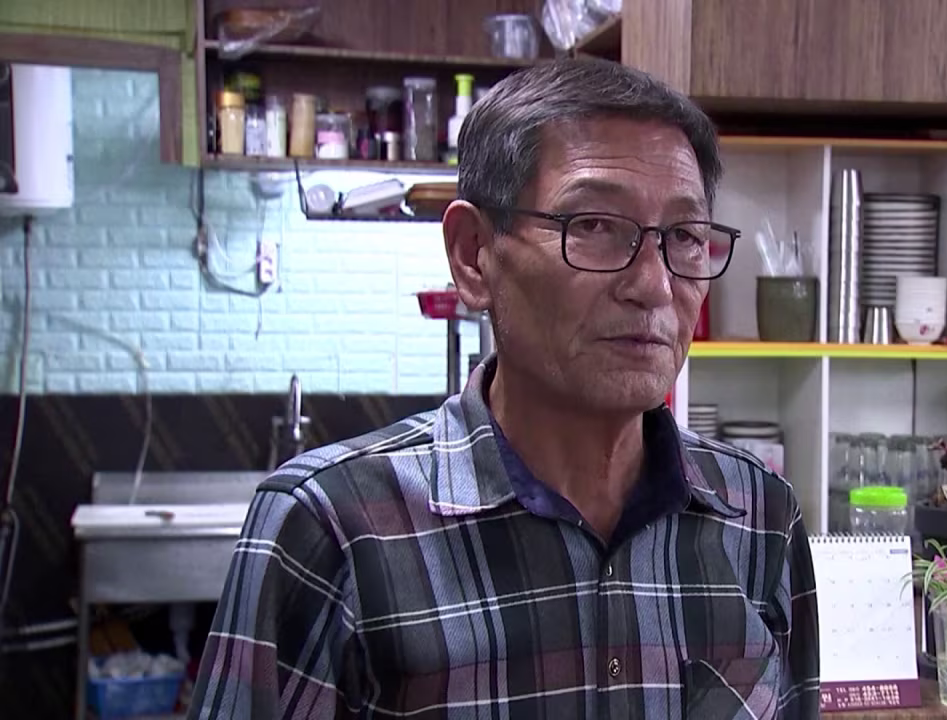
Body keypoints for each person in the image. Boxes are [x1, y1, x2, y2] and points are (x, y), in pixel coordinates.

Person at [189, 57, 820, 719]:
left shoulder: (760, 518)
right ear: (473, 255)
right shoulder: (331, 529)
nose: (655, 286)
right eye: (595, 227)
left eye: (685, 237)